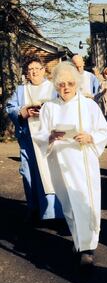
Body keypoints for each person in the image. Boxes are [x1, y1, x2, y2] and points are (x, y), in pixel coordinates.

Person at [33, 61, 107, 266]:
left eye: (69, 83)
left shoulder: (88, 105)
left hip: (83, 160)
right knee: (68, 204)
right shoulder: (49, 107)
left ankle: (88, 248)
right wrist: (50, 136)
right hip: (60, 162)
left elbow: (103, 131)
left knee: (86, 202)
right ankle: (78, 241)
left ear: (77, 84)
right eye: (61, 84)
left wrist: (90, 137)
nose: (65, 87)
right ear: (55, 85)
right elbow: (40, 135)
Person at [6, 55, 63, 222]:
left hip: (50, 138)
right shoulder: (21, 90)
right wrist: (23, 112)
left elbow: (62, 106)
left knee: (51, 173)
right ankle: (34, 208)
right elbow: (10, 107)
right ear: (27, 74)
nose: (34, 72)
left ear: (43, 70)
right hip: (28, 139)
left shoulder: (53, 88)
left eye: (37, 69)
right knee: (29, 173)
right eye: (30, 70)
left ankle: (56, 212)